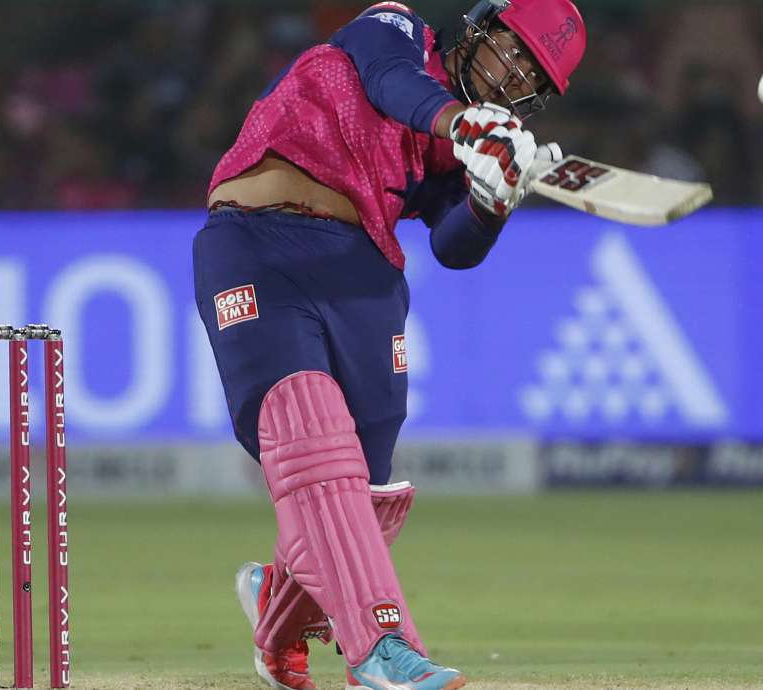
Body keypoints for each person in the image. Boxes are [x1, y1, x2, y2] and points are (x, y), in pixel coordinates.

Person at [191, 1, 584, 688]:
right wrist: (467, 125)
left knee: (373, 489)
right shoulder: (395, 31)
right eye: (513, 50)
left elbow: (451, 245)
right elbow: (387, 83)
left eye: (532, 75)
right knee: (310, 433)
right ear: (479, 28)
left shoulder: (461, 145)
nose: (513, 75)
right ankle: (381, 648)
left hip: (365, 274)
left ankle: (280, 603)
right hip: (259, 243)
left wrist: (493, 202)